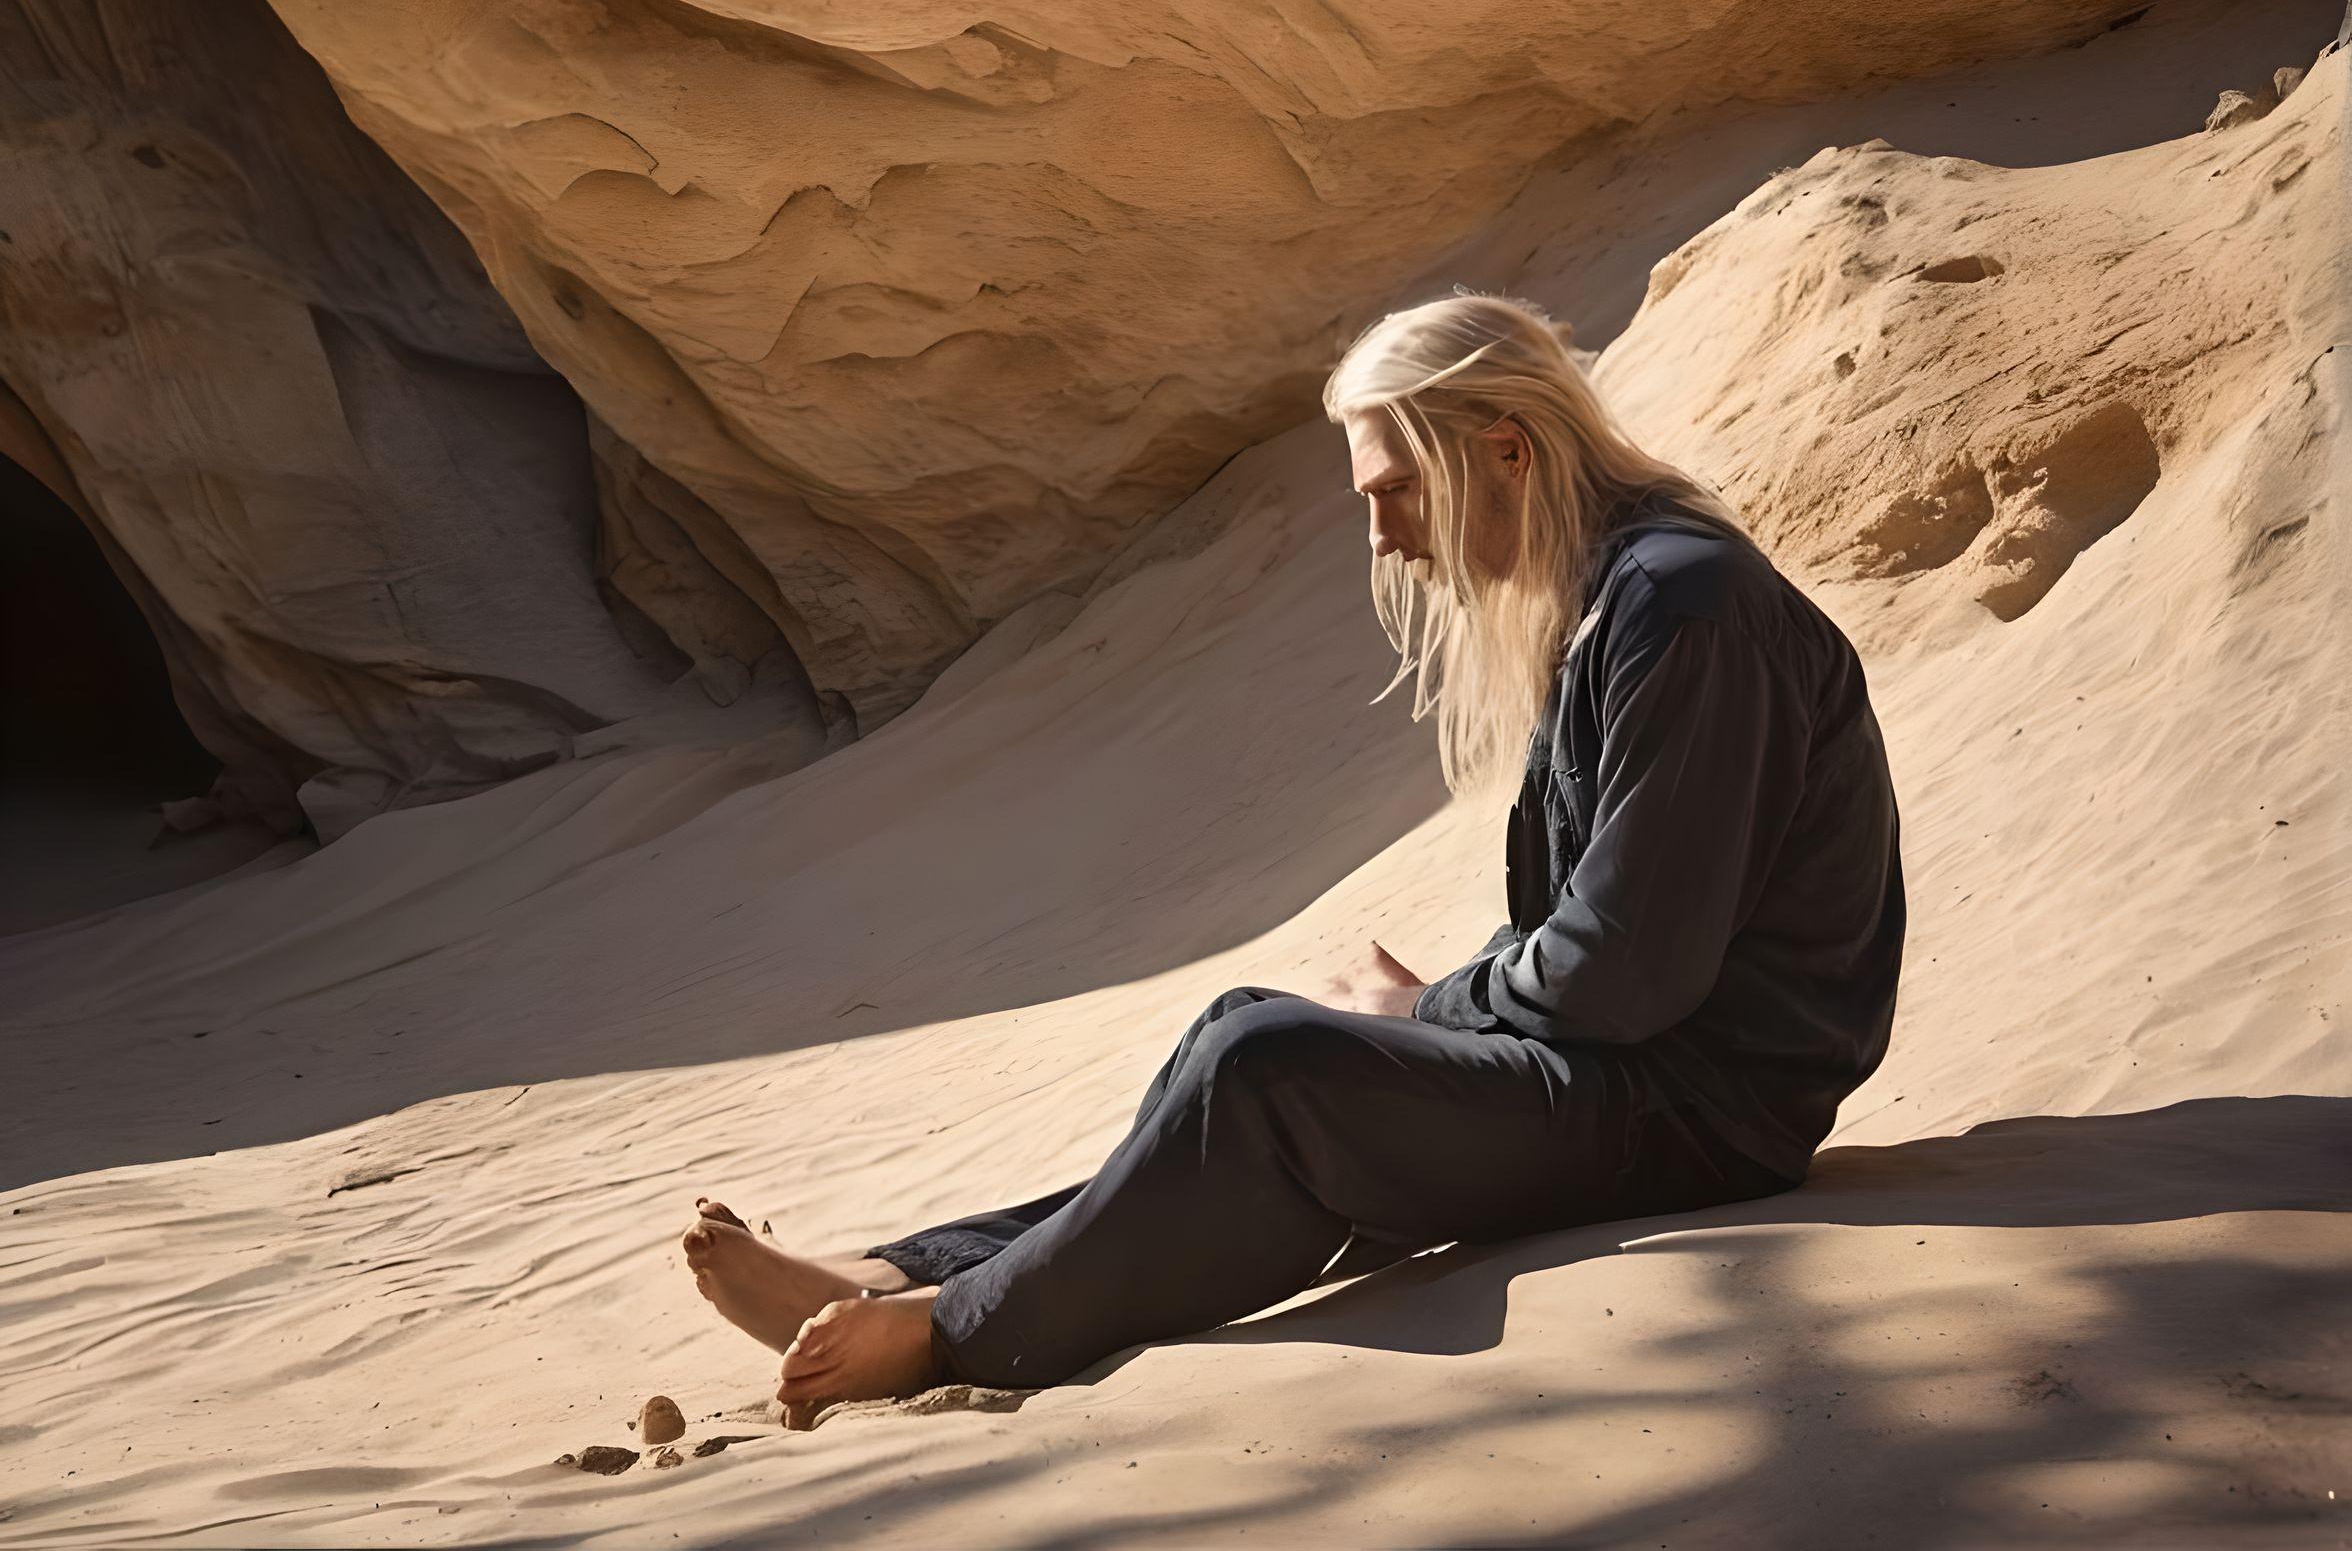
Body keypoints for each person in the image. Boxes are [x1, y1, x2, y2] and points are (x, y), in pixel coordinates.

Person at [680, 289, 1907, 1412]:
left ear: (1507, 451)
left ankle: (957, 1329)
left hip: (1703, 1116)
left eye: (1392, 490)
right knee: (1245, 1028)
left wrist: (1425, 1000)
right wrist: (1436, 1012)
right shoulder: (1618, 603)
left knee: (1275, 1065)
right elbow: (1599, 933)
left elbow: (1630, 970)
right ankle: (913, 1268)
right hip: (1641, 1079)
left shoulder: (1682, 609)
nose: (1381, 539)